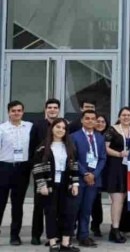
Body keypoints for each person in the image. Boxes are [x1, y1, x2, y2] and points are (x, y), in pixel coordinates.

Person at [32, 118, 80, 252]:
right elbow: (37, 168)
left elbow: (74, 166)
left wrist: (75, 184)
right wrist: (41, 185)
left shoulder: (70, 147)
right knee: (51, 213)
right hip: (49, 185)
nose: (61, 130)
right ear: (52, 128)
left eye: (64, 128)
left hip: (66, 184)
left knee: (69, 213)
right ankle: (53, 243)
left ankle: (65, 243)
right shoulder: (43, 147)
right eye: (58, 127)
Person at [0, 100, 37, 246]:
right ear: (9, 112)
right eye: (13, 110)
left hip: (22, 169)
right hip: (4, 168)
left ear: (23, 112)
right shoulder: (1, 128)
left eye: (19, 110)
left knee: (18, 204)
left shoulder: (29, 127)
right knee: (0, 202)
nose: (16, 113)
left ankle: (15, 235)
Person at [104, 107, 130, 243]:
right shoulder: (112, 130)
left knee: (125, 199)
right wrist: (119, 154)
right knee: (117, 200)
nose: (126, 117)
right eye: (123, 115)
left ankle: (118, 228)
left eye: (128, 115)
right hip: (115, 167)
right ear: (119, 117)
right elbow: (106, 148)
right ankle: (114, 229)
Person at [72, 110, 107, 247]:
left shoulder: (99, 137)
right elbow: (72, 158)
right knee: (75, 208)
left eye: (93, 119)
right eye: (87, 118)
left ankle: (84, 236)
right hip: (79, 178)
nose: (90, 121)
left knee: (87, 209)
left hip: (94, 179)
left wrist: (94, 174)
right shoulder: (74, 137)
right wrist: (85, 174)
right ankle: (67, 234)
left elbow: (103, 158)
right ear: (82, 120)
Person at [30, 98, 61, 246]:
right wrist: (36, 172)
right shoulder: (37, 125)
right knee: (39, 205)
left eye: (55, 107)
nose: (52, 110)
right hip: (41, 171)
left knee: (55, 206)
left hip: (58, 172)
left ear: (59, 110)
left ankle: (54, 235)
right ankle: (36, 235)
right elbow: (32, 148)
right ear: (45, 109)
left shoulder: (62, 125)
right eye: (50, 107)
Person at [90, 114, 109, 237]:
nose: (100, 124)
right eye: (98, 121)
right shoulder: (89, 136)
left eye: (103, 121)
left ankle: (96, 224)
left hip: (105, 171)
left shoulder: (107, 136)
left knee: (98, 200)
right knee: (93, 200)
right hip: (92, 171)